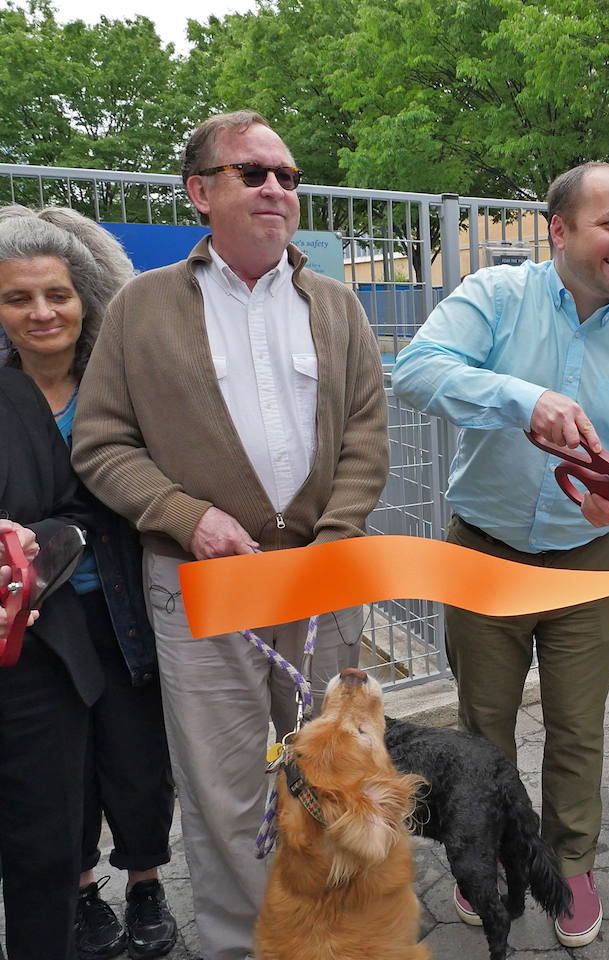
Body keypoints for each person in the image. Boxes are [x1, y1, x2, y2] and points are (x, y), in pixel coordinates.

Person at [72, 111, 389, 960]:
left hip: (317, 577)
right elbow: (100, 442)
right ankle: (240, 945)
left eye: (288, 175)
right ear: (198, 191)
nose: (277, 189)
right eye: (253, 173)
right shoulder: (140, 308)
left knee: (331, 773)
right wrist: (187, 516)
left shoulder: (337, 304)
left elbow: (366, 432)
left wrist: (338, 534)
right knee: (223, 786)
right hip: (200, 582)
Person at [391, 162, 609, 946]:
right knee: (483, 729)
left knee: (577, 726)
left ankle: (568, 864)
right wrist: (522, 399)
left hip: (587, 558)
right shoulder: (496, 299)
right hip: (483, 553)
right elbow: (417, 371)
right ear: (559, 231)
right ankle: (487, 855)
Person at [0, 207, 177, 959]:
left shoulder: (122, 382)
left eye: (58, 295)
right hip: (34, 629)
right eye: (18, 298)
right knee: (53, 774)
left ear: (87, 297)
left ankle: (145, 883)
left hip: (122, 604)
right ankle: (77, 891)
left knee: (136, 756)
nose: (42, 313)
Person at [0, 368, 98, 960]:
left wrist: (31, 548)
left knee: (47, 860)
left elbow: (75, 513)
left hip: (39, 671)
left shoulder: (15, 393)